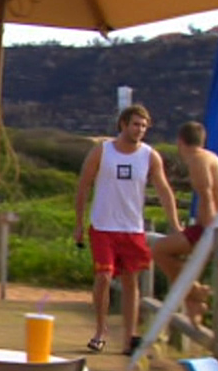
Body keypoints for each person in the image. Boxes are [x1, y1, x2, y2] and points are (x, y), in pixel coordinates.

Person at [74, 104, 182, 356]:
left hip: (132, 227)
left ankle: (128, 338)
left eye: (144, 126)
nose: (139, 129)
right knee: (104, 276)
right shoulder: (102, 151)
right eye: (135, 124)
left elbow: (164, 190)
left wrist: (175, 224)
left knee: (131, 281)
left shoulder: (149, 156)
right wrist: (78, 223)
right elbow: (83, 186)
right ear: (123, 124)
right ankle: (100, 331)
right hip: (103, 225)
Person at [151, 121, 218, 326]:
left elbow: (207, 196)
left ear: (180, 142)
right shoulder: (208, 157)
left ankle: (195, 293)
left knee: (159, 250)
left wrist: (207, 234)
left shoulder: (198, 160)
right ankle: (193, 302)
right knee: (168, 252)